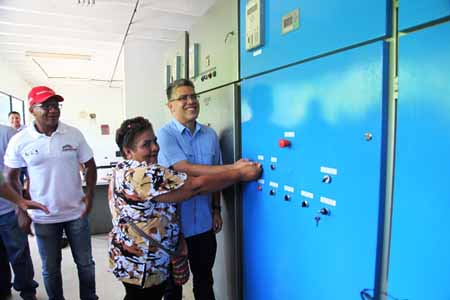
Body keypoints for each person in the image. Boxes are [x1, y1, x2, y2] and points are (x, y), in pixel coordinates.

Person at [109, 117, 261, 300]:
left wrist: (178, 237)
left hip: (131, 261)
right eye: (146, 144)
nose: (155, 148)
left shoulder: (121, 169)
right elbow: (195, 186)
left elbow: (160, 209)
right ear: (128, 151)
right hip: (143, 266)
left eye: (155, 141)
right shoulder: (144, 174)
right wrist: (239, 173)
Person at [4, 86, 98, 300]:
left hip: (77, 214)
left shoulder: (73, 134)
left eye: (55, 105)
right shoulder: (20, 140)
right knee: (50, 268)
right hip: (44, 217)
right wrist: (20, 207)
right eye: (46, 106)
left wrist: (90, 195)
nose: (53, 110)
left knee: (85, 264)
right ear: (32, 110)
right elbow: (10, 177)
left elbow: (90, 165)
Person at [158, 79, 243, 300]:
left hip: (204, 225)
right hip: (175, 229)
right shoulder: (165, 135)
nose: (191, 101)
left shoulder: (210, 135)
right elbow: (183, 169)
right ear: (171, 106)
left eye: (193, 96)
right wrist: (235, 169)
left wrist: (216, 209)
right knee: (172, 287)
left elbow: (217, 176)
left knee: (204, 281)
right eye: (183, 97)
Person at [0, 124, 48, 300]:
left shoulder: (8, 134)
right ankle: (3, 288)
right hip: (13, 202)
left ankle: (27, 290)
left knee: (19, 252)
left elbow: (25, 169)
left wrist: (21, 202)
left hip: (8, 208)